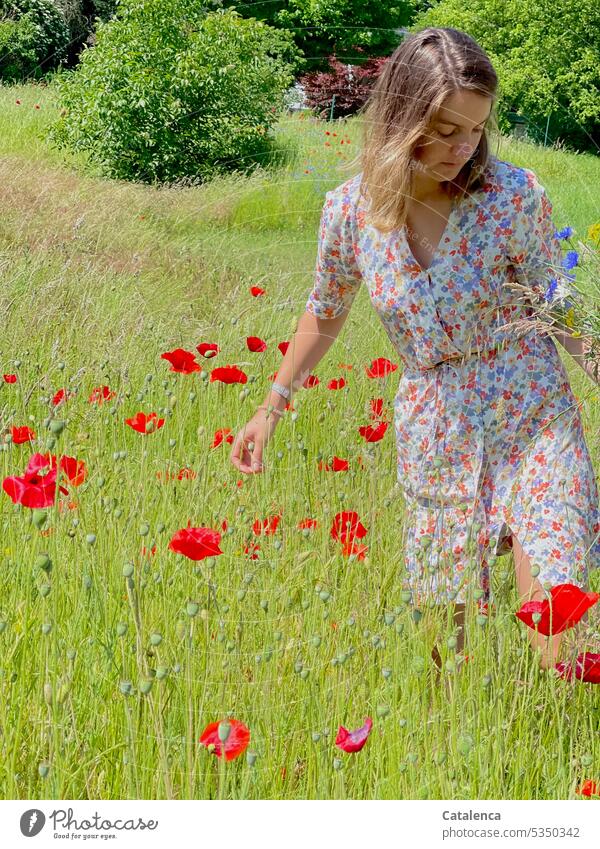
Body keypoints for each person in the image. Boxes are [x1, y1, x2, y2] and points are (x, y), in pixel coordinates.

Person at [230, 27, 600, 676]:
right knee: (445, 632)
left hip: (532, 410)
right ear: (403, 117)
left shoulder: (512, 196)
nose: (465, 147)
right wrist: (272, 404)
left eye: (477, 130)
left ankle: (561, 730)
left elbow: (555, 300)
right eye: (447, 129)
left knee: (555, 604)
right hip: (439, 423)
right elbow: (325, 309)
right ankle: (463, 744)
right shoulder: (351, 212)